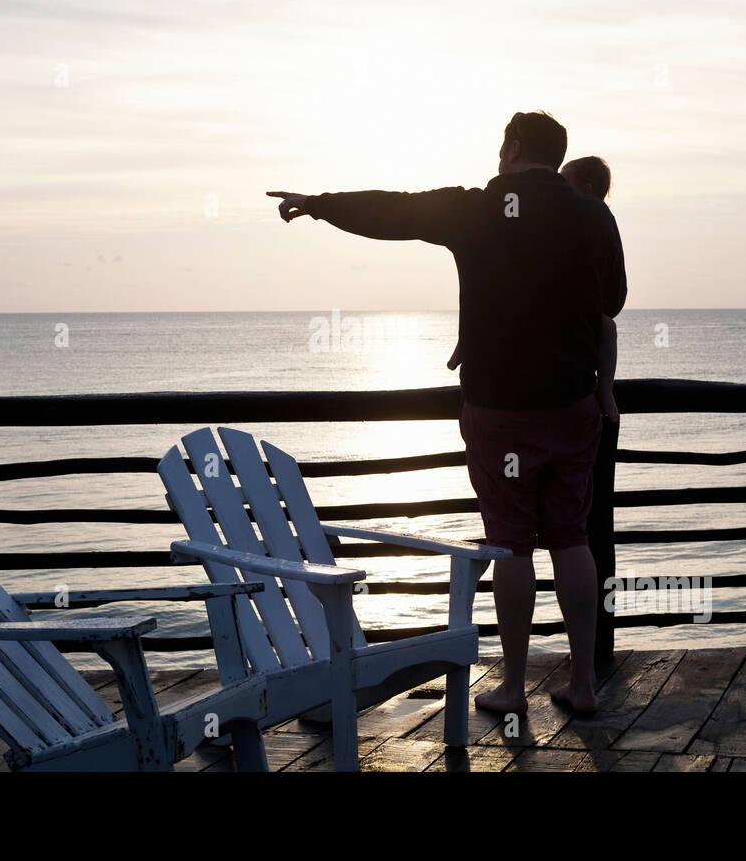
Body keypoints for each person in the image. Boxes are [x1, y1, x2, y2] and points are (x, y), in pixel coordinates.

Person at [267, 110, 627, 717]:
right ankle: (585, 685)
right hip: (572, 406)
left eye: (501, 146)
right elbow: (612, 300)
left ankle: (513, 687)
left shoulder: (478, 209)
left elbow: (395, 212)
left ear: (513, 150)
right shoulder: (592, 214)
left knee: (511, 545)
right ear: (555, 154)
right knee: (571, 538)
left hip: (499, 410)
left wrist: (321, 203)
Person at [448, 153, 623, 421]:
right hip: (569, 331)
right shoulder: (588, 222)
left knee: (607, 329)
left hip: (564, 322)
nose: (556, 188)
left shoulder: (586, 219)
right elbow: (616, 295)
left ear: (586, 190)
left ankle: (606, 390)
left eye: (563, 182)